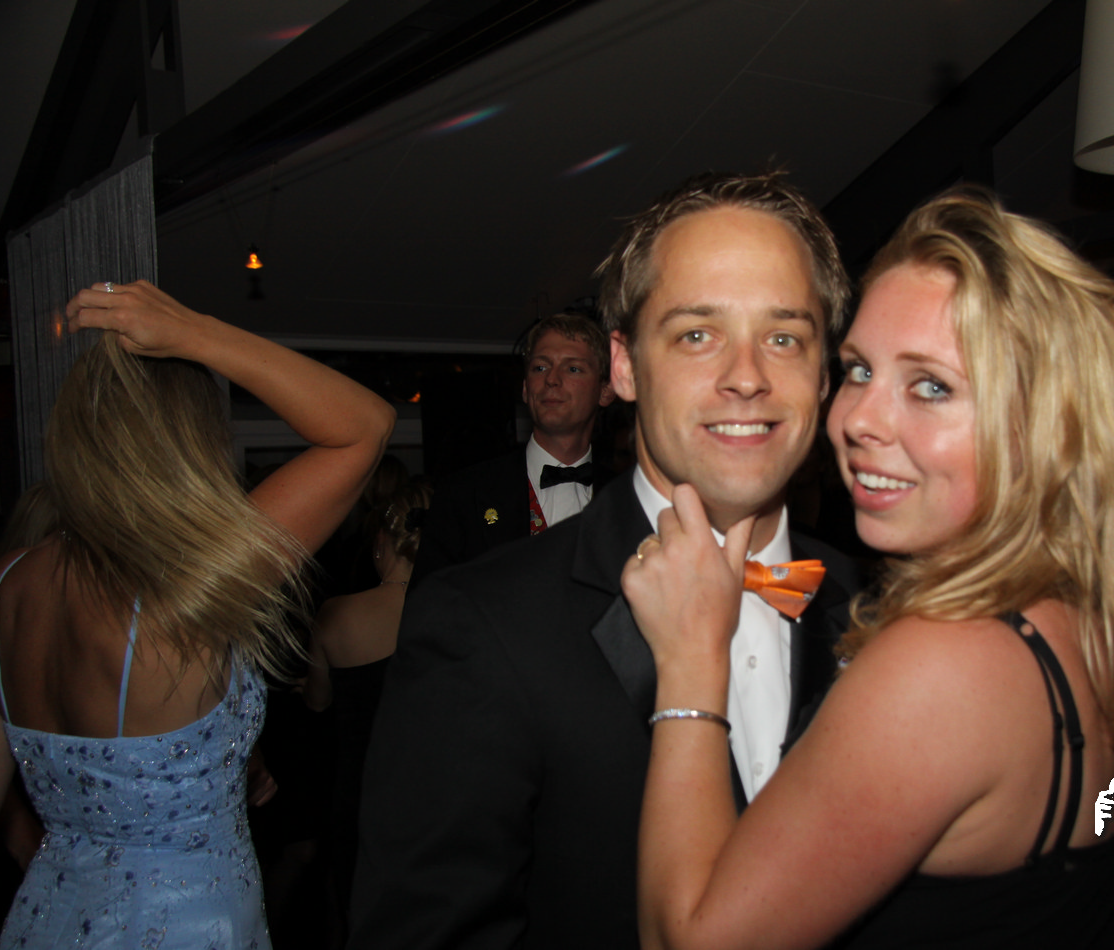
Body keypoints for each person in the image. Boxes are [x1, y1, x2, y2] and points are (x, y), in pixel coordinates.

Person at [624, 190, 1114, 950]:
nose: (856, 420)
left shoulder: (940, 665)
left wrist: (691, 669)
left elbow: (688, 940)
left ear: (1042, 420)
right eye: (859, 370)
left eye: (931, 387)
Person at [349, 170, 858, 950]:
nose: (746, 376)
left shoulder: (874, 603)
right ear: (624, 367)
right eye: (696, 334)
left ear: (822, 376)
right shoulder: (482, 624)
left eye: (783, 337)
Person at [0, 280, 393, 948]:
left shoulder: (5, 585)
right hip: (180, 925)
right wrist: (195, 332)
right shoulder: (187, 584)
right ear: (192, 440)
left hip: (43, 919)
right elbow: (364, 426)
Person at [305, 477, 432, 923]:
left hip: (362, 794)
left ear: (380, 541)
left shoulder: (338, 615)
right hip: (432, 794)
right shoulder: (455, 610)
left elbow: (317, 703)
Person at [408, 312, 616, 585]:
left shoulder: (631, 499)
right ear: (526, 389)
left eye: (573, 368)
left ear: (605, 391)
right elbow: (428, 605)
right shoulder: (465, 495)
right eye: (540, 367)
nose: (552, 379)